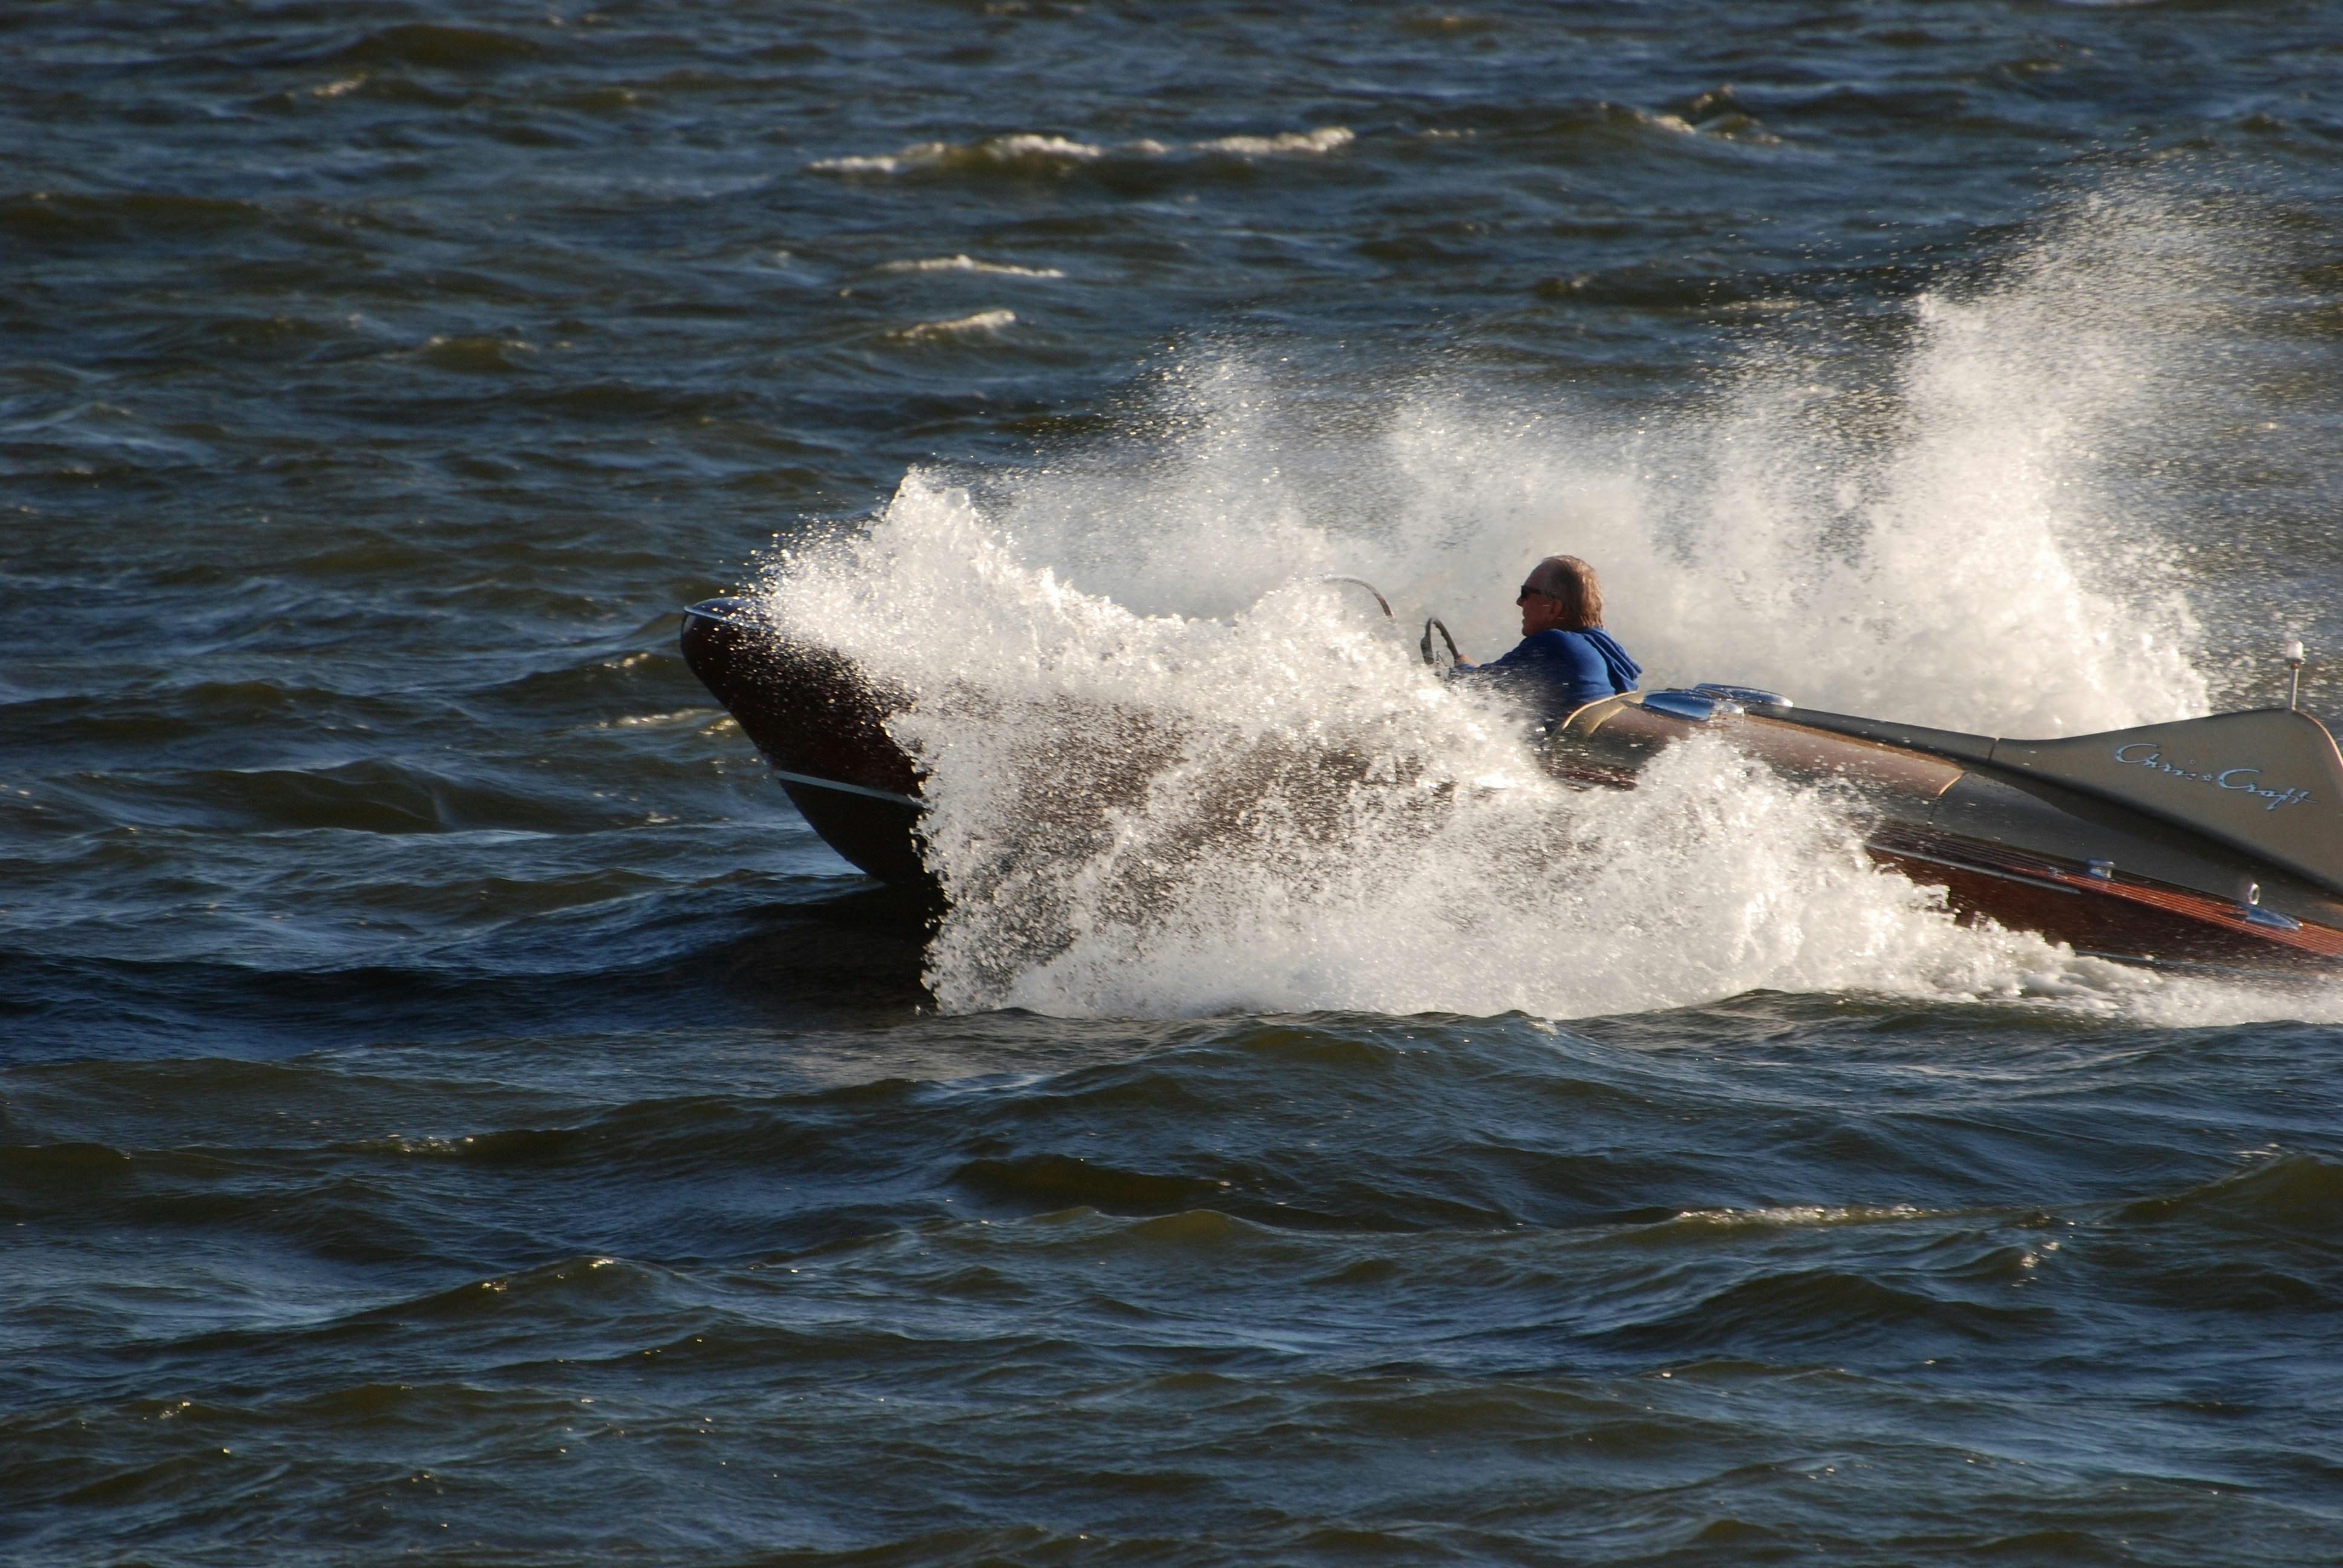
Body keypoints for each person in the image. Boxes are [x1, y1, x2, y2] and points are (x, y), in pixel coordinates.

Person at [1449, 554, 1640, 716]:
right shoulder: (1607, 651)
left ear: (1554, 608)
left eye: (1526, 593)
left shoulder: (1554, 644)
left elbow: (1473, 688)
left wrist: (1462, 666)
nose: (1519, 602)